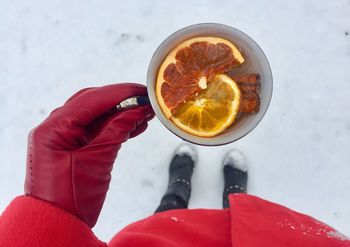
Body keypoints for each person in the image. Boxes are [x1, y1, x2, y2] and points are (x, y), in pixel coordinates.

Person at [0, 83, 349, 247]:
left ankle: (177, 189)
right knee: (233, 212)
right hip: (270, 237)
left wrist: (44, 222)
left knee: (164, 217)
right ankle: (233, 196)